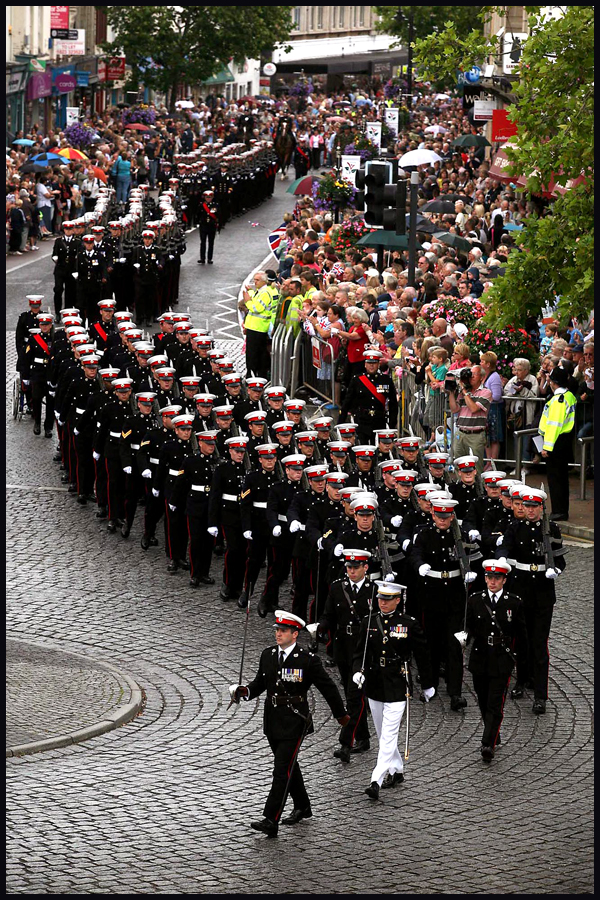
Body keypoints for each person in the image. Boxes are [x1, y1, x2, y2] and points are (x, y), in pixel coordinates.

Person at [229, 611, 349, 837]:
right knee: (289, 765)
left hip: (295, 722)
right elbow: (260, 683)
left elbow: (328, 688)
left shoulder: (307, 660)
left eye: (283, 631)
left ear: (295, 634)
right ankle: (303, 806)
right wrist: (244, 691)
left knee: (281, 770)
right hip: (272, 721)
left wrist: (341, 716)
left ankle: (270, 819)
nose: (278, 634)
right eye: (277, 630)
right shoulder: (268, 655)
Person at [352, 582, 435, 800]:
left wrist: (427, 684)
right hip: (375, 683)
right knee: (382, 734)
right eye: (380, 598)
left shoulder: (408, 624)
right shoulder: (368, 621)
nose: (383, 602)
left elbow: (423, 655)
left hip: (398, 684)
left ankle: (376, 780)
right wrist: (357, 671)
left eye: (388, 599)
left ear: (398, 600)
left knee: (388, 735)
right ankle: (397, 770)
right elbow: (359, 652)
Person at [500, 486, 566, 714]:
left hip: (542, 593)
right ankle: (521, 680)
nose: (529, 510)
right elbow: (504, 550)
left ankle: (540, 695)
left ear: (541, 508)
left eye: (533, 506)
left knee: (539, 644)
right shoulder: (515, 528)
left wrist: (555, 570)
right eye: (526, 506)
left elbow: (560, 560)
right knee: (521, 640)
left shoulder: (551, 529)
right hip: (520, 590)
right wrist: (500, 562)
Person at [457, 559, 528, 762]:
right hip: (480, 656)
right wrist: (464, 637)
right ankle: (494, 732)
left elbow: (521, 635)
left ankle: (487, 743)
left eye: (497, 578)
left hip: (501, 658)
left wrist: (521, 663)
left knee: (495, 703)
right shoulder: (475, 600)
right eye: (489, 577)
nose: (492, 581)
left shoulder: (513, 602)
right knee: (482, 698)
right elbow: (467, 625)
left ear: (504, 580)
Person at [537, 367, 577, 521]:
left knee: (555, 479)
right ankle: (560, 510)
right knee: (561, 478)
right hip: (563, 441)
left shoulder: (558, 400)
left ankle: (559, 511)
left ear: (553, 382)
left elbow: (554, 426)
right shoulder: (568, 396)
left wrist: (547, 447)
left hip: (555, 442)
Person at [446, 364, 492, 473]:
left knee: (476, 467)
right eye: (470, 375)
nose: (471, 377)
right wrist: (451, 393)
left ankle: (479, 488)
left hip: (476, 435)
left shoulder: (486, 392)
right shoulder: (464, 392)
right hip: (461, 433)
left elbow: (474, 408)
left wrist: (464, 391)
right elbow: (454, 409)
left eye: (473, 375)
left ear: (481, 377)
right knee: (459, 464)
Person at [197, 189, 219, 265]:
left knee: (211, 242)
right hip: (203, 225)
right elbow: (198, 214)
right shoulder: (201, 205)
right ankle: (202, 258)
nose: (208, 199)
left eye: (210, 197)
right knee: (202, 242)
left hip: (211, 225)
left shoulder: (215, 205)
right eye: (207, 197)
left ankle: (209, 258)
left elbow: (218, 214)